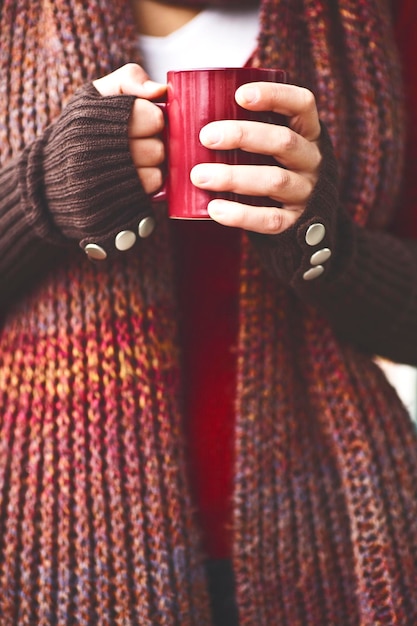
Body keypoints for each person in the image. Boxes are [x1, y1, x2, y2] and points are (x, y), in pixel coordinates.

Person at [0, 0, 416, 624]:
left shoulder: (381, 21)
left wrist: (325, 244)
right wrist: (39, 192)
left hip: (339, 532)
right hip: (46, 535)